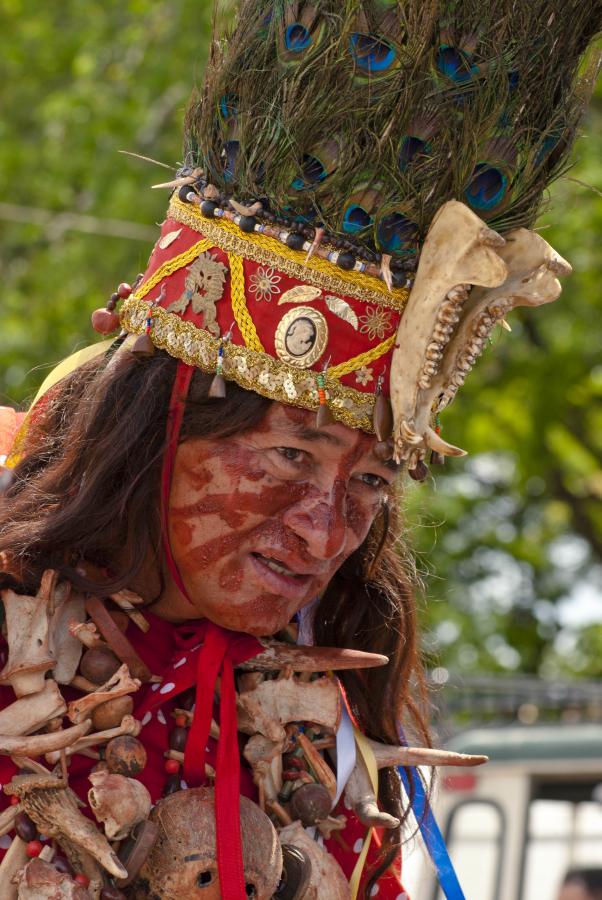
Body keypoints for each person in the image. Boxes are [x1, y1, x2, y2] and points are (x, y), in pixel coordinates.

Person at [0, 2, 599, 897]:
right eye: (289, 458)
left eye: (369, 482)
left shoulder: (334, 729)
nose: (326, 534)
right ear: (156, 431)